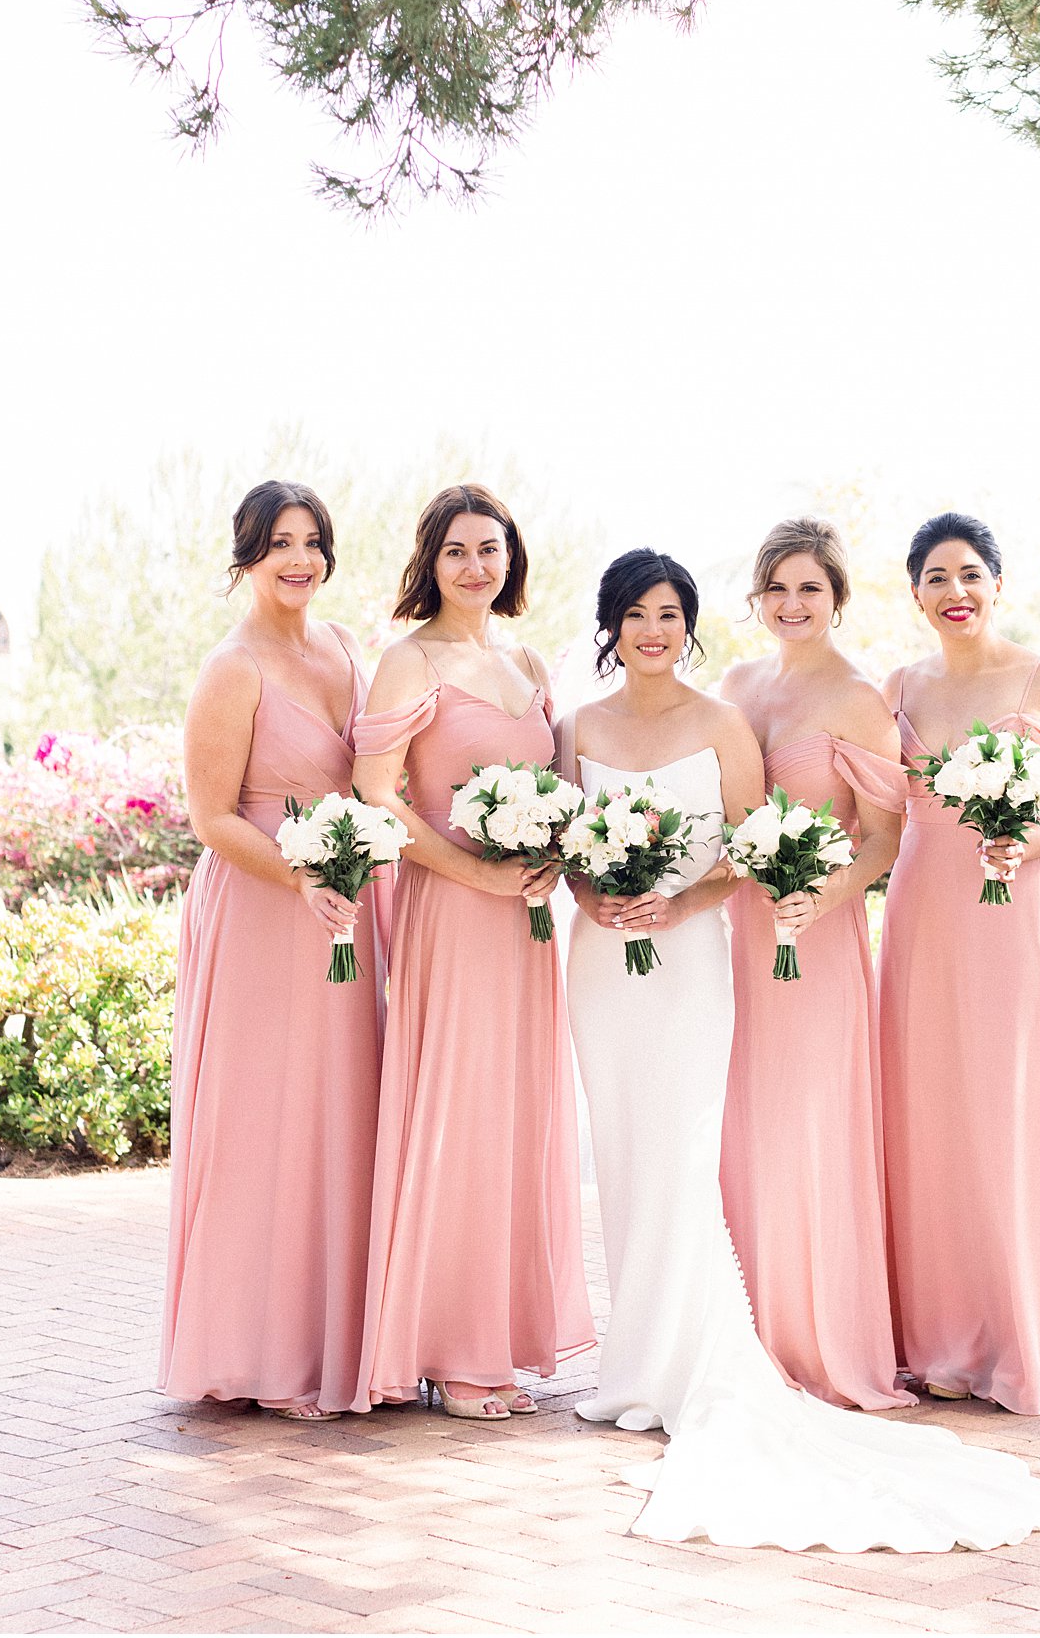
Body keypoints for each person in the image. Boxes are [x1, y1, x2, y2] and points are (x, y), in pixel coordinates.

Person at [560, 548, 1040, 1552]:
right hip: (644, 951)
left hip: (774, 937)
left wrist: (803, 891)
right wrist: (595, 890)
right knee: (690, 1148)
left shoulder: (831, 700)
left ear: (835, 598)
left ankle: (785, 1342)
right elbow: (589, 835)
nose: (654, 626)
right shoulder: (710, 693)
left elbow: (862, 834)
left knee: (753, 1133)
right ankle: (661, 1345)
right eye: (636, 612)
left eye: (810, 586)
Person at [350, 484, 594, 1421]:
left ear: (511, 559)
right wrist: (472, 871)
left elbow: (558, 782)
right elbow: (378, 793)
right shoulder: (406, 662)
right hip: (451, 913)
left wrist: (550, 854)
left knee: (513, 1118)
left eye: (490, 549)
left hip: (526, 924)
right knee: (454, 1114)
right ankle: (447, 1349)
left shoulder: (528, 657)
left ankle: (496, 1337)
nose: (475, 566)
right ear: (430, 561)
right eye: (456, 551)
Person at [879, 510, 1040, 1416]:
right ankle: (939, 1333)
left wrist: (1023, 840)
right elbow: (875, 803)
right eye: (936, 578)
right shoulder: (898, 687)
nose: (955, 593)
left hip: (1014, 917)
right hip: (924, 916)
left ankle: (1017, 1330)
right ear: (913, 594)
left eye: (970, 574)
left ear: (997, 584)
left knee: (1006, 1112)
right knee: (929, 1115)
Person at [160, 481, 383, 1420]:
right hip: (264, 908)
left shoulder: (342, 647)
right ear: (246, 554)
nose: (299, 559)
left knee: (339, 1113)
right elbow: (211, 817)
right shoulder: (233, 666)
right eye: (279, 543)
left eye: (313, 542)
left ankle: (336, 1340)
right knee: (267, 1118)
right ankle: (260, 1351)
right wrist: (298, 878)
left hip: (344, 906)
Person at [719, 519, 910, 1410]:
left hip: (812, 936)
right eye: (776, 588)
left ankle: (816, 1337)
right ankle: (738, 1328)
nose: (792, 605)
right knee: (738, 1125)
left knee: (805, 1120)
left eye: (810, 589)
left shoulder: (858, 696)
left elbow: (883, 839)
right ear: (755, 597)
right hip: (730, 938)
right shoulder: (734, 683)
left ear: (836, 597)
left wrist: (821, 899)